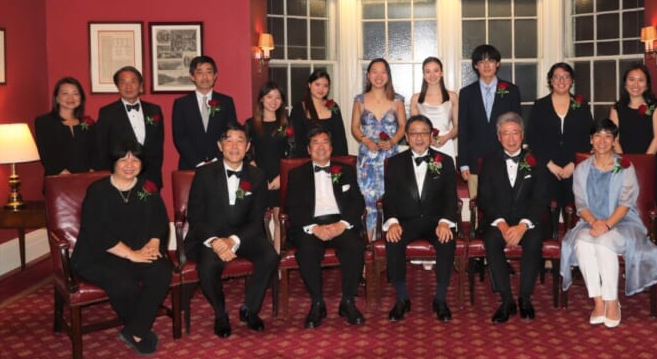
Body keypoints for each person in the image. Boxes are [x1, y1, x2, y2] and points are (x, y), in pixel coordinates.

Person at [560, 119, 657, 329]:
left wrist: (606, 225)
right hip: (590, 222)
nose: (602, 140)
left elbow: (626, 203)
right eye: (597, 135)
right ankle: (598, 301)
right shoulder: (581, 169)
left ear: (615, 140)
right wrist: (594, 222)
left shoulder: (624, 167)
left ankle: (612, 301)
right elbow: (580, 204)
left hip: (623, 222)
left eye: (608, 136)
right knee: (582, 243)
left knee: (602, 242)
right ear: (591, 139)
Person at [71, 140, 171, 355]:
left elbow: (160, 221)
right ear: (114, 162)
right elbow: (97, 233)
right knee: (125, 283)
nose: (129, 164)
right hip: (100, 254)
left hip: (139, 250)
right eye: (123, 159)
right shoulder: (98, 191)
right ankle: (139, 331)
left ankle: (136, 331)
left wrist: (154, 242)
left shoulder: (148, 187)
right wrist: (131, 255)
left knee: (162, 270)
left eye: (135, 160)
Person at [184, 123, 280, 338]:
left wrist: (233, 240)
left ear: (248, 147)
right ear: (220, 145)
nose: (235, 146)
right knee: (208, 266)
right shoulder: (204, 173)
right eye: (229, 141)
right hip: (210, 236)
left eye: (240, 141)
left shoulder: (257, 175)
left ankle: (250, 309)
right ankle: (221, 314)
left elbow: (257, 219)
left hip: (244, 235)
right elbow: (195, 215)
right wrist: (215, 241)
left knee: (270, 257)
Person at [285, 125, 367, 328]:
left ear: (331, 147)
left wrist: (343, 224)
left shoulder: (346, 170)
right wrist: (313, 228)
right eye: (315, 143)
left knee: (355, 247)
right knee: (307, 251)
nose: (320, 147)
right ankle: (317, 303)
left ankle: (348, 301)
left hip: (339, 222)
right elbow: (292, 207)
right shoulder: (296, 174)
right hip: (310, 225)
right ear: (308, 149)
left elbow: (357, 202)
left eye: (325, 142)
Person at [382, 115, 458, 322]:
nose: (419, 137)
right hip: (406, 221)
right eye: (414, 133)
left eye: (424, 133)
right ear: (407, 137)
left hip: (436, 221)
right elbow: (389, 197)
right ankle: (401, 298)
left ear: (431, 136)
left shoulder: (445, 161)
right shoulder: (395, 163)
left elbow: (451, 196)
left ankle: (440, 298)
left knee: (447, 240)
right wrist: (393, 222)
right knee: (393, 239)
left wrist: (445, 222)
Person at [477, 112, 548, 323]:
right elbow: (484, 198)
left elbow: (541, 198)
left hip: (528, 221)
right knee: (491, 241)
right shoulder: (489, 162)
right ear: (499, 137)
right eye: (505, 133)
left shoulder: (536, 161)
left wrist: (523, 225)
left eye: (515, 133)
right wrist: (501, 223)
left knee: (534, 242)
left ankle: (525, 298)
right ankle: (506, 300)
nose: (510, 138)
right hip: (498, 221)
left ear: (522, 135)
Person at [609, 63, 657, 247]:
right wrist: (625, 162)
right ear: (625, 83)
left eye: (641, 80)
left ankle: (654, 245)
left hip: (648, 163)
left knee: (648, 204)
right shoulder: (617, 108)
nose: (636, 84)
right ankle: (622, 245)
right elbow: (614, 139)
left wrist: (644, 164)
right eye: (631, 80)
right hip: (622, 163)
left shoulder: (653, 107)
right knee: (623, 202)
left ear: (647, 84)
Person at [526, 62, 593, 212]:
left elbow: (588, 137)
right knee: (548, 213)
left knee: (574, 213)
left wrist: (574, 163)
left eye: (566, 76)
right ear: (550, 80)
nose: (561, 81)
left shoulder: (581, 104)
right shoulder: (540, 105)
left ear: (571, 80)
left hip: (574, 168)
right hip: (547, 168)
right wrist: (549, 164)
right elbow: (532, 138)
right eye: (557, 77)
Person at [351, 58, 406, 235]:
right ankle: (369, 243)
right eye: (374, 71)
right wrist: (366, 140)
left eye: (383, 72)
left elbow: (403, 127)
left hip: (390, 157)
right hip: (367, 159)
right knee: (367, 200)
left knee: (390, 198)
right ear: (368, 76)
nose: (379, 76)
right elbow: (354, 127)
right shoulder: (360, 100)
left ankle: (389, 241)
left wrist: (392, 141)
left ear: (388, 76)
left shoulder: (397, 100)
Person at [458, 44, 521, 199]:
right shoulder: (466, 93)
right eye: (482, 62)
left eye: (491, 61)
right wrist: (464, 163)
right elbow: (463, 130)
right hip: (474, 161)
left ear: (497, 64)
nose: (486, 66)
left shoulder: (511, 90)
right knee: (478, 205)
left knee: (504, 204)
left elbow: (517, 128)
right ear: (476, 65)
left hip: (504, 160)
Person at [97, 66, 165, 187]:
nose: (128, 86)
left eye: (133, 81)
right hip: (120, 176)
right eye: (123, 82)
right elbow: (102, 148)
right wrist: (108, 176)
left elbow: (158, 145)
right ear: (117, 86)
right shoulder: (107, 113)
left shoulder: (154, 110)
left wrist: (155, 173)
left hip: (150, 177)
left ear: (140, 85)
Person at [172, 56, 238, 170]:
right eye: (199, 72)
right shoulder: (181, 104)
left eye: (209, 72)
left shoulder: (226, 102)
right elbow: (180, 137)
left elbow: (230, 134)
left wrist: (216, 160)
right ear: (192, 76)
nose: (205, 76)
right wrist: (199, 163)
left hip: (220, 164)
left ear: (215, 75)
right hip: (190, 166)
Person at [34, 76, 101, 175]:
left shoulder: (87, 122)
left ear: (81, 98)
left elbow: (96, 151)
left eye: (75, 93)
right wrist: (65, 176)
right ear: (57, 98)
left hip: (87, 177)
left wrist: (91, 172)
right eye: (65, 93)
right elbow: (46, 153)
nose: (71, 98)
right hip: (58, 179)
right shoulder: (44, 122)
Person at [244, 81, 291, 210]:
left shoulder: (287, 123)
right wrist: (257, 174)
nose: (273, 101)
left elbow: (293, 150)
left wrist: (282, 176)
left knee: (279, 216)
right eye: (269, 97)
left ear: (282, 101)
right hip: (258, 173)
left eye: (278, 98)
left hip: (280, 174)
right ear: (261, 99)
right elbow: (245, 149)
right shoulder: (250, 124)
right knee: (258, 216)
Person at [290, 69, 348, 157]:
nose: (321, 89)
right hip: (306, 160)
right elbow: (296, 141)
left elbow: (340, 139)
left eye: (325, 86)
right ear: (309, 85)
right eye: (317, 84)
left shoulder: (333, 106)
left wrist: (340, 161)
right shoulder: (299, 108)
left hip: (331, 159)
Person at [410, 57, 459, 158]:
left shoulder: (452, 96)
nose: (432, 75)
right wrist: (426, 139)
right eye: (428, 71)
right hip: (422, 146)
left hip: (446, 145)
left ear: (442, 73)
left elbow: (457, 126)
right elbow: (413, 129)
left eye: (436, 71)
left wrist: (445, 138)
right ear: (423, 75)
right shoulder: (416, 99)